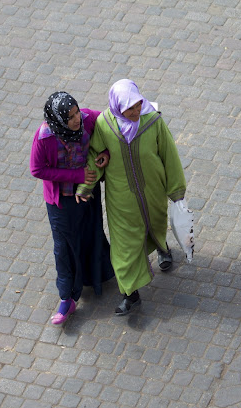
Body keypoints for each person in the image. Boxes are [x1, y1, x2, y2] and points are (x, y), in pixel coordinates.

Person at [76, 79, 187, 316]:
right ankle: (130, 294)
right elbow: (95, 156)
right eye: (130, 108)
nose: (136, 111)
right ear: (117, 107)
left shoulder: (153, 121)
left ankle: (162, 247)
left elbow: (169, 155)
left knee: (155, 225)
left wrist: (176, 191)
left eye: (138, 105)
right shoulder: (105, 125)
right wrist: (86, 187)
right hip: (121, 200)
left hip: (153, 192)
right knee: (124, 246)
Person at [30, 91, 114, 325]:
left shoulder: (88, 119)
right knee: (64, 247)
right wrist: (76, 175)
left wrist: (104, 153)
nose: (77, 119)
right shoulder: (44, 137)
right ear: (58, 120)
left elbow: (109, 127)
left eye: (77, 112)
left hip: (88, 193)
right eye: (70, 117)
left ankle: (103, 274)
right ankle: (67, 298)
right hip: (62, 202)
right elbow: (37, 170)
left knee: (92, 233)